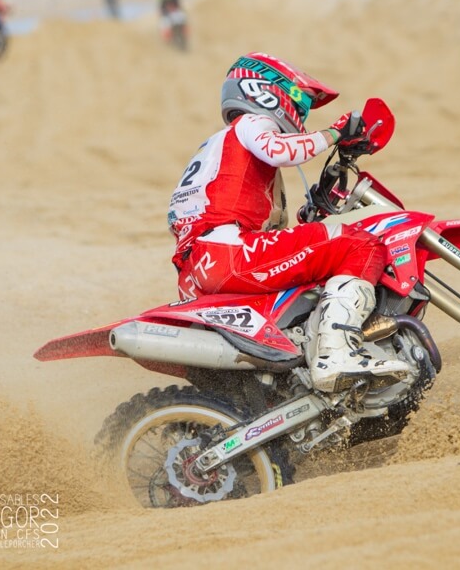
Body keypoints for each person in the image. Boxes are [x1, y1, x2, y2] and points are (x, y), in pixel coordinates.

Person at [167, 52, 410, 393]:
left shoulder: (215, 149)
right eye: (300, 101)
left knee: (313, 265)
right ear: (264, 91)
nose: (303, 113)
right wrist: (335, 133)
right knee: (360, 245)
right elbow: (280, 150)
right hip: (228, 252)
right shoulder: (250, 124)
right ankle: (336, 355)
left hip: (200, 269)